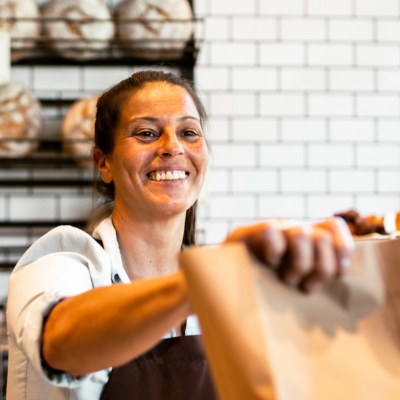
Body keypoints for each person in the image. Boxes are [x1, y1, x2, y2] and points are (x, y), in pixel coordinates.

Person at [6, 70, 354, 399]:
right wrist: (203, 279)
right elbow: (61, 341)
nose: (172, 147)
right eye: (146, 133)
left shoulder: (228, 291)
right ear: (104, 163)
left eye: (189, 132)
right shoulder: (63, 261)